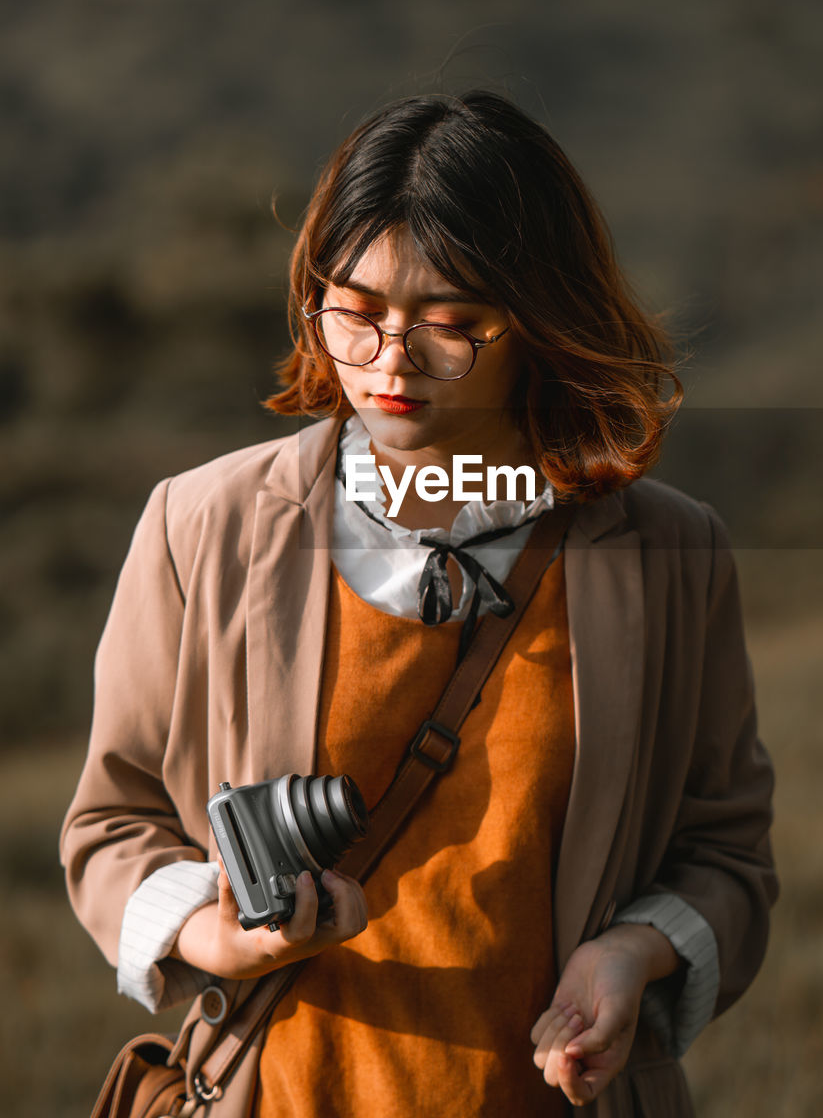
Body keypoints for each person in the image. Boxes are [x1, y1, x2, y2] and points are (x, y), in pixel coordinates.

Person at [61, 90, 777, 1117]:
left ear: (540, 320)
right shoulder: (201, 522)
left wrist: (632, 951)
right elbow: (110, 819)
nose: (389, 357)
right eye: (353, 308)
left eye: (451, 322)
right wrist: (217, 934)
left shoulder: (667, 550)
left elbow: (727, 856)